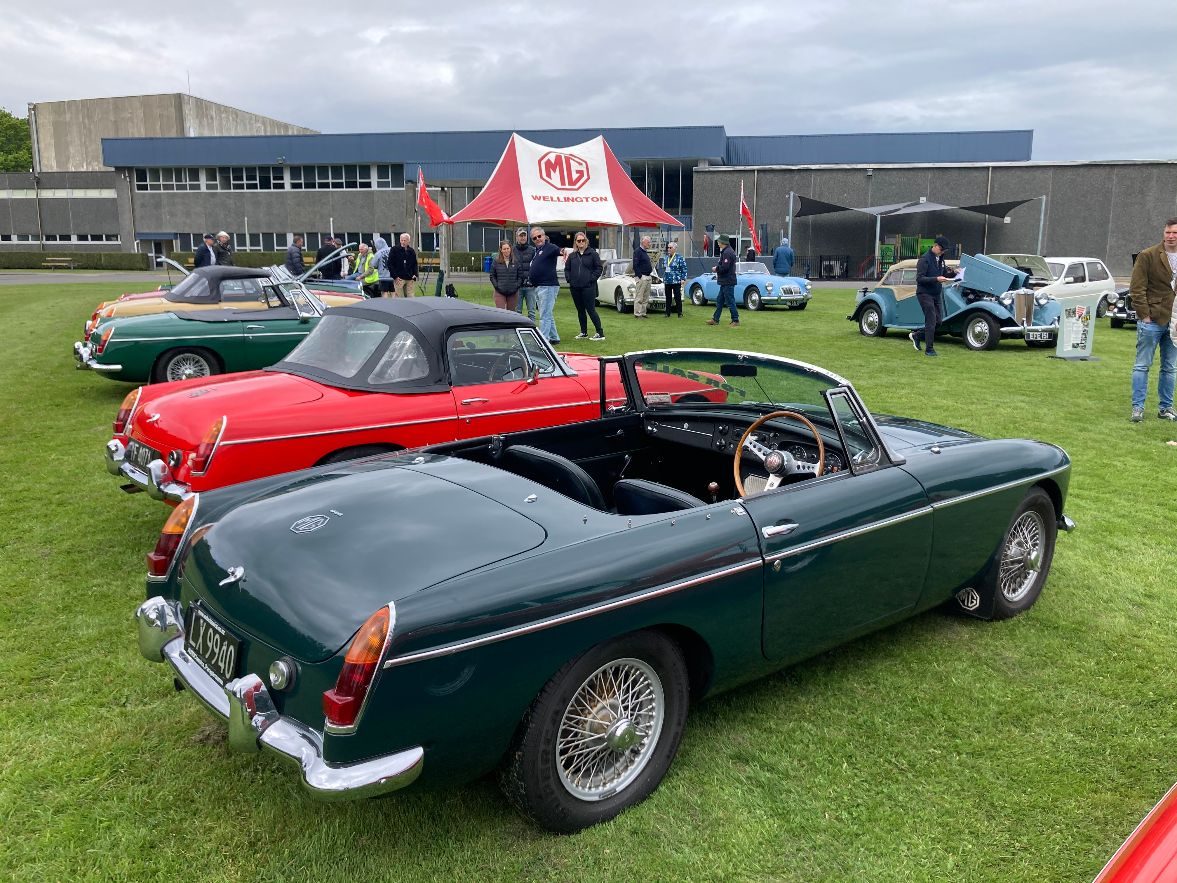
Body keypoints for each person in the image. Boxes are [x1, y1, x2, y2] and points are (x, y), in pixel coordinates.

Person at [1128, 217, 1177, 422]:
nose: (1171, 236)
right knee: (1142, 365)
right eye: (1168, 232)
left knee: (1170, 367)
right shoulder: (1148, 255)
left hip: (1175, 322)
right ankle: (1137, 408)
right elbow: (1136, 288)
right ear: (1163, 233)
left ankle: (1165, 408)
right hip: (1152, 320)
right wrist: (1145, 315)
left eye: (1175, 233)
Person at [910, 235, 954, 357]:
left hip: (936, 294)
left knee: (938, 322)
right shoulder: (924, 259)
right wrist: (936, 279)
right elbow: (920, 279)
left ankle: (917, 335)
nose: (943, 252)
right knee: (931, 320)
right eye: (942, 249)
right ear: (935, 246)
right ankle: (929, 349)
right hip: (924, 293)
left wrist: (953, 273)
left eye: (944, 250)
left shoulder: (940, 259)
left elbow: (943, 274)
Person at [564, 231, 605, 341]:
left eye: (583, 240)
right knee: (580, 310)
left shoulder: (593, 254)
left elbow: (599, 268)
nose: (581, 242)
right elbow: (567, 269)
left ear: (586, 241)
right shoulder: (572, 256)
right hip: (575, 287)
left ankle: (600, 333)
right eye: (578, 240)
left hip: (588, 287)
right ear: (576, 242)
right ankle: (583, 332)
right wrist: (570, 280)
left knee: (591, 310)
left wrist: (591, 279)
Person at [528, 227, 565, 344]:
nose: (538, 239)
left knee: (544, 315)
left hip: (548, 286)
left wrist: (564, 252)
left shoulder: (550, 247)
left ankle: (543, 340)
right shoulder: (537, 251)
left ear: (544, 236)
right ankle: (554, 337)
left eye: (539, 236)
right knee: (547, 313)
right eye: (535, 238)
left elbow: (560, 251)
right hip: (539, 286)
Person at [707, 234, 739, 326]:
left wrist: (716, 269)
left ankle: (735, 320)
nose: (717, 242)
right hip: (725, 281)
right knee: (719, 300)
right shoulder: (727, 251)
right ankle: (715, 319)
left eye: (719, 241)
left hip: (727, 281)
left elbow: (725, 268)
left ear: (723, 242)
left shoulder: (727, 253)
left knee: (730, 301)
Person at [489, 240, 524, 312]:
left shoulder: (516, 261)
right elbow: (492, 276)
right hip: (499, 292)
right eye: (504, 249)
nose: (506, 250)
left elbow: (520, 276)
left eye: (508, 248)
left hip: (513, 293)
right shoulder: (496, 261)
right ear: (501, 250)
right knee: (500, 313)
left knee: (511, 314)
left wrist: (516, 286)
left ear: (510, 249)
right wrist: (497, 286)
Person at [512, 227, 538, 321]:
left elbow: (536, 266)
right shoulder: (512, 250)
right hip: (517, 286)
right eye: (520, 236)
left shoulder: (532, 250)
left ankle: (533, 332)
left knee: (531, 312)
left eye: (524, 235)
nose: (523, 237)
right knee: (517, 312)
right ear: (517, 237)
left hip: (530, 286)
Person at [661, 240, 687, 317]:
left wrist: (683, 279)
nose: (668, 249)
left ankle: (680, 313)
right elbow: (663, 267)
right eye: (668, 247)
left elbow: (684, 269)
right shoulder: (666, 258)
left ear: (675, 248)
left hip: (676, 281)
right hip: (667, 281)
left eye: (670, 247)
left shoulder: (679, 258)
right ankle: (667, 313)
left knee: (677, 297)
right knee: (668, 297)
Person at [388, 233, 419, 297]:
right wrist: (395, 277)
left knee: (411, 297)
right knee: (399, 297)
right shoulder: (394, 250)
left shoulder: (411, 251)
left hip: (410, 278)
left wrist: (415, 274)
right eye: (401, 240)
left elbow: (414, 264)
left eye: (405, 240)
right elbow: (390, 264)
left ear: (408, 241)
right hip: (399, 278)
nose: (403, 242)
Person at [632, 235, 653, 318]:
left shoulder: (645, 252)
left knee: (645, 297)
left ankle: (643, 313)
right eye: (648, 242)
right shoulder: (638, 251)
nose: (649, 244)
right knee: (639, 297)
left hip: (648, 277)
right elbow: (635, 265)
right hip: (642, 277)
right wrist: (640, 276)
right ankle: (637, 313)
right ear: (643, 242)